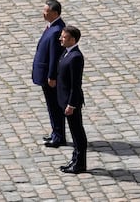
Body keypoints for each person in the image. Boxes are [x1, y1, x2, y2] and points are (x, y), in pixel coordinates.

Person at [32, 0, 66, 147]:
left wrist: (52, 76)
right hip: (45, 74)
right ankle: (55, 132)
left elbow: (55, 56)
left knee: (54, 106)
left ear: (55, 13)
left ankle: (58, 136)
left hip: (49, 76)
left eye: (46, 11)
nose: (43, 14)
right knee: (51, 106)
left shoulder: (57, 30)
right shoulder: (52, 27)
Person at [57, 26, 87, 174]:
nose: (60, 39)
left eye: (64, 37)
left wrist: (71, 104)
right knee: (74, 132)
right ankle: (75, 159)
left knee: (77, 133)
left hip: (71, 102)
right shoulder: (67, 52)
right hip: (64, 99)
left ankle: (80, 163)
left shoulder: (75, 57)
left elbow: (75, 84)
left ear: (72, 40)